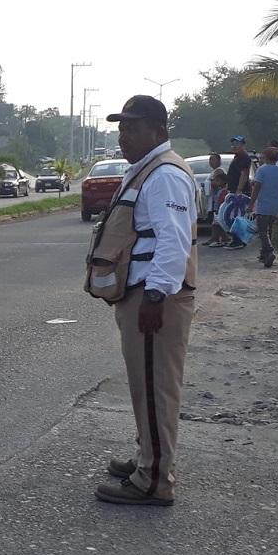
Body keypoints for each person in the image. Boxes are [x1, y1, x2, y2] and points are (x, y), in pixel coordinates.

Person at [89, 95, 197, 507]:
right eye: (120, 128)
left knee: (156, 388)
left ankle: (153, 481)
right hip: (142, 295)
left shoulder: (165, 174)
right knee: (145, 384)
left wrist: (155, 294)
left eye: (132, 128)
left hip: (157, 300)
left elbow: (174, 241)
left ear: (158, 131)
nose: (123, 136)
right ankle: (148, 457)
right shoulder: (147, 170)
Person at [250, 146, 278, 268]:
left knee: (262, 231)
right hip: (276, 207)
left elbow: (257, 187)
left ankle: (269, 251)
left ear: (267, 157)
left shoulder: (262, 170)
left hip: (263, 206)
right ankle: (264, 254)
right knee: (269, 230)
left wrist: (251, 204)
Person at [223, 136, 252, 249]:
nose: (234, 146)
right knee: (233, 216)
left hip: (240, 191)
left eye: (237, 144)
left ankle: (238, 241)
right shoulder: (237, 157)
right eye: (233, 144)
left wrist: (239, 190)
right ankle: (237, 239)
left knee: (236, 217)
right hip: (234, 190)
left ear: (243, 145)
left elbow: (244, 174)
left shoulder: (244, 157)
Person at [202, 171, 230, 247]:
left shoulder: (223, 191)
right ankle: (223, 238)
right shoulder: (217, 190)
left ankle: (217, 239)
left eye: (217, 181)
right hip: (217, 210)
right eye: (214, 180)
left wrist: (218, 210)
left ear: (224, 182)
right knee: (217, 225)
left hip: (219, 211)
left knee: (216, 225)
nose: (214, 182)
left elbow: (222, 202)